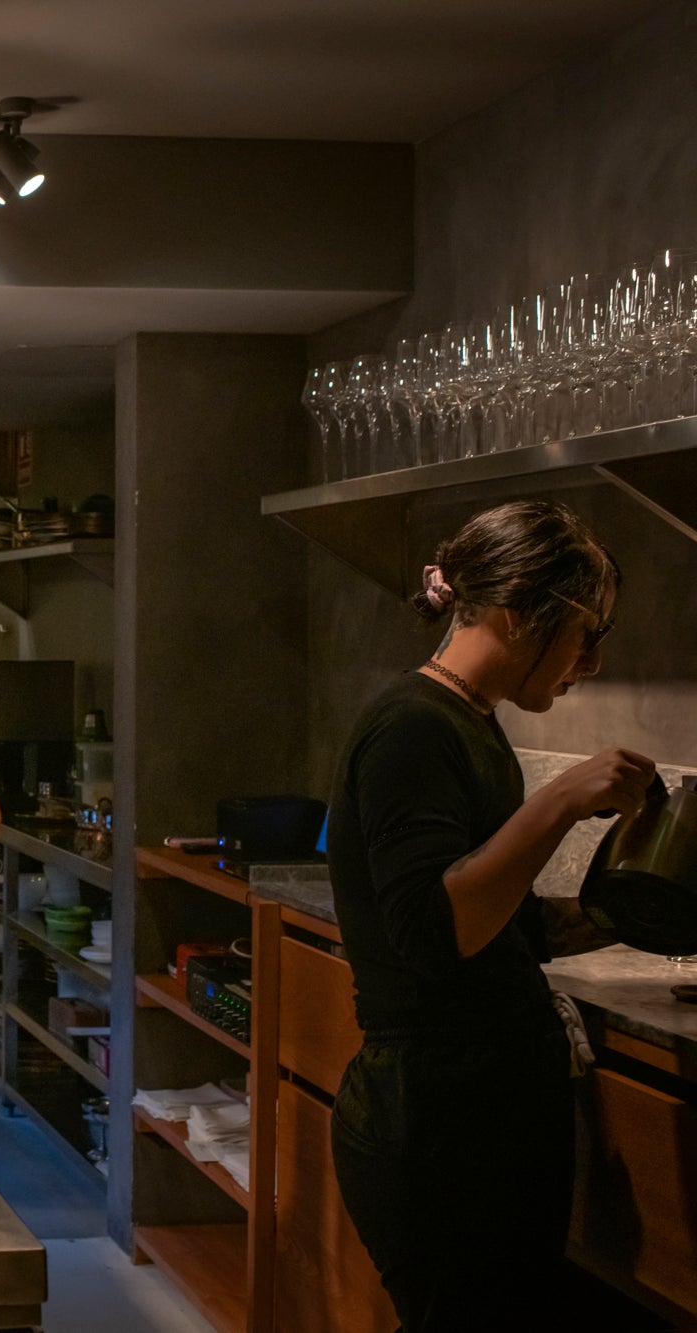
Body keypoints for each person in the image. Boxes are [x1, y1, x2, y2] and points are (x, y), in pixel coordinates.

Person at [326, 500, 654, 1332]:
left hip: (475, 1117)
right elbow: (439, 932)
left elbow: (501, 927)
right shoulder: (411, 728)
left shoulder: (469, 722)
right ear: (518, 614)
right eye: (586, 635)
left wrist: (637, 906)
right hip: (435, 1126)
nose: (591, 663)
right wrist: (561, 800)